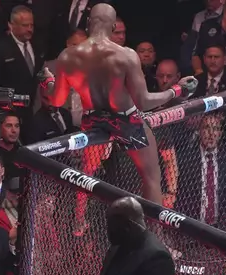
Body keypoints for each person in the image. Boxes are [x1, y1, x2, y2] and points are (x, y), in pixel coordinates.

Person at [41, 3, 197, 233]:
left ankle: (78, 226)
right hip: (125, 121)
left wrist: (48, 81)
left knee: (87, 176)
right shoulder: (125, 55)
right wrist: (177, 90)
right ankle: (152, 239)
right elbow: (143, 101)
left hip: (92, 120)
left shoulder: (67, 56)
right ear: (114, 26)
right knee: (151, 177)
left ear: (88, 23)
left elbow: (55, 100)